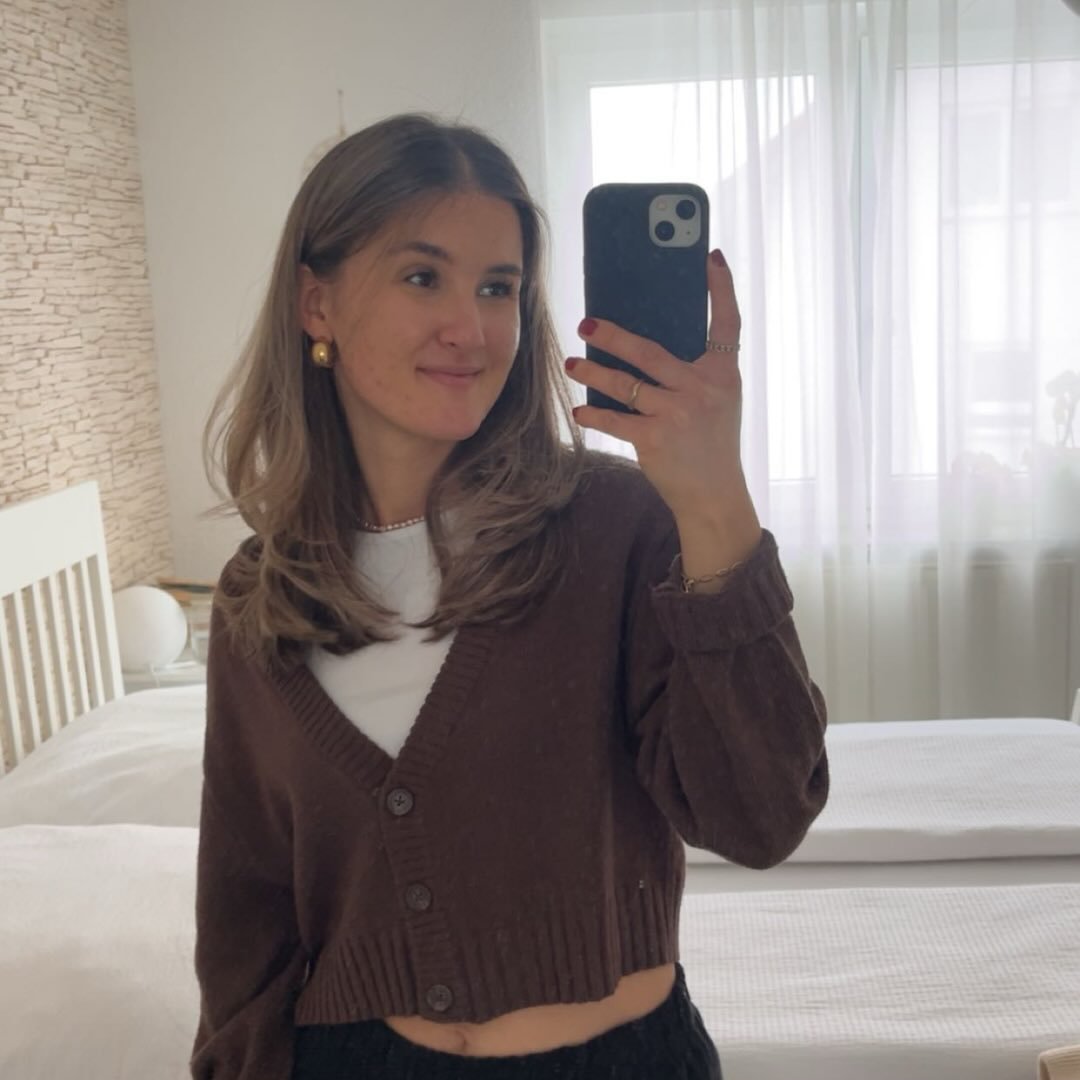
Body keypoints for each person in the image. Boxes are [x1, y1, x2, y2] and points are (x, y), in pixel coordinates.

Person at [189, 112, 829, 1080]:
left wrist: (715, 505)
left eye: (499, 287)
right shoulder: (262, 595)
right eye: (423, 278)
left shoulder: (614, 526)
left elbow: (762, 816)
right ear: (317, 305)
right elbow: (245, 917)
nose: (473, 328)